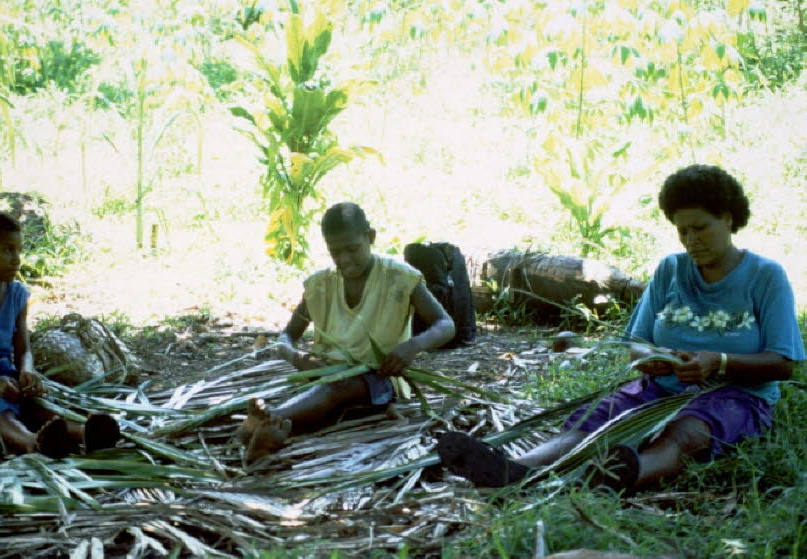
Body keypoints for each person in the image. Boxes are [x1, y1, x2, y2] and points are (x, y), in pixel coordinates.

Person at [437, 164, 805, 492]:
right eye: (682, 231)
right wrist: (651, 360)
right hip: (660, 388)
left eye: (700, 228)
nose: (691, 240)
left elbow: (783, 363)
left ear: (728, 218)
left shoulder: (764, 277)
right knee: (594, 422)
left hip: (735, 395)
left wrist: (719, 361)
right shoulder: (671, 270)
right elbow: (636, 343)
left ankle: (623, 477)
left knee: (687, 433)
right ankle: (517, 470)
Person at [238, 202, 456, 464]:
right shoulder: (321, 284)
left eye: (352, 249)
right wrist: (297, 358)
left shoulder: (399, 278)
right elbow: (286, 338)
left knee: (338, 386)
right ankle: (267, 434)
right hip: (326, 375)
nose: (344, 260)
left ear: (371, 237)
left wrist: (412, 346)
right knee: (331, 389)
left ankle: (270, 419)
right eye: (335, 252)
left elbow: (446, 325)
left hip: (379, 377)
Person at [0, 211, 120, 457]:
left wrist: (26, 371)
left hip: (2, 370)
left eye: (19, 250)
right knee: (0, 408)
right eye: (8, 250)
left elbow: (24, 350)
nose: (17, 260)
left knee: (34, 403)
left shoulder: (17, 295)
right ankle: (33, 442)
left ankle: (86, 433)